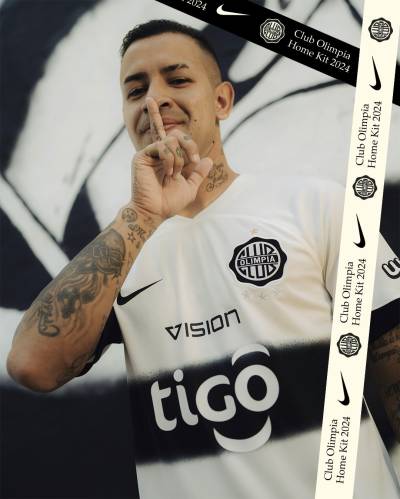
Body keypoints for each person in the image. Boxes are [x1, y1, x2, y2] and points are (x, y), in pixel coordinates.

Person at [7, 19, 400, 499]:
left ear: (222, 101)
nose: (155, 99)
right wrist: (141, 215)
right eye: (136, 91)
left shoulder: (317, 205)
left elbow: (392, 361)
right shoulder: (119, 254)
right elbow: (32, 365)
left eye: (177, 79)